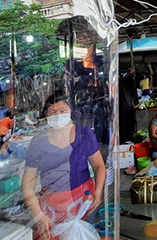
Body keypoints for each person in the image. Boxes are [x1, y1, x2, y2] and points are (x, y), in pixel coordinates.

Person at [22, 100, 105, 240]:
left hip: (83, 202)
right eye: (52, 112)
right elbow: (27, 185)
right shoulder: (38, 141)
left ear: (71, 112)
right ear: (46, 116)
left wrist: (98, 190)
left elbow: (99, 166)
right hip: (50, 206)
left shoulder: (84, 134)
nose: (58, 115)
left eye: (63, 110)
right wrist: (39, 216)